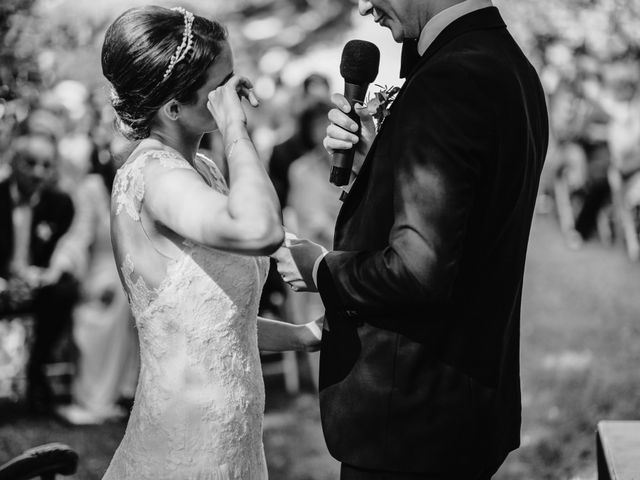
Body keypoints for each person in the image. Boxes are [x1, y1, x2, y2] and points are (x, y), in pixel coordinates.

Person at [275, 0, 549, 478]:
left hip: (409, 427)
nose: (363, 7)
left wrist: (319, 268)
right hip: (463, 408)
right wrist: (377, 165)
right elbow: (467, 221)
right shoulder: (510, 65)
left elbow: (418, 269)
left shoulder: (449, 79)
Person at [100, 6, 321, 479]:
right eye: (220, 89)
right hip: (183, 449)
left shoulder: (202, 171)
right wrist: (238, 128)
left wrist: (303, 337)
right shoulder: (155, 179)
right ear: (174, 107)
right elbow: (260, 231)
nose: (233, 96)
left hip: (231, 446)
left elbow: (216, 325)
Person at [46, 134, 139, 425]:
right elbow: (78, 234)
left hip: (138, 270)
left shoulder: (143, 186)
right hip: (100, 271)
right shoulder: (92, 189)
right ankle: (96, 398)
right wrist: (60, 266)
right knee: (106, 302)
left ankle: (128, 392)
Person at [0, 132, 77, 412]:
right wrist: (5, 285)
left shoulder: (60, 204)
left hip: (35, 284)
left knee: (65, 289)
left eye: (46, 165)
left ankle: (36, 369)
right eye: (30, 163)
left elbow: (64, 249)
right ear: (13, 161)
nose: (38, 172)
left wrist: (43, 277)